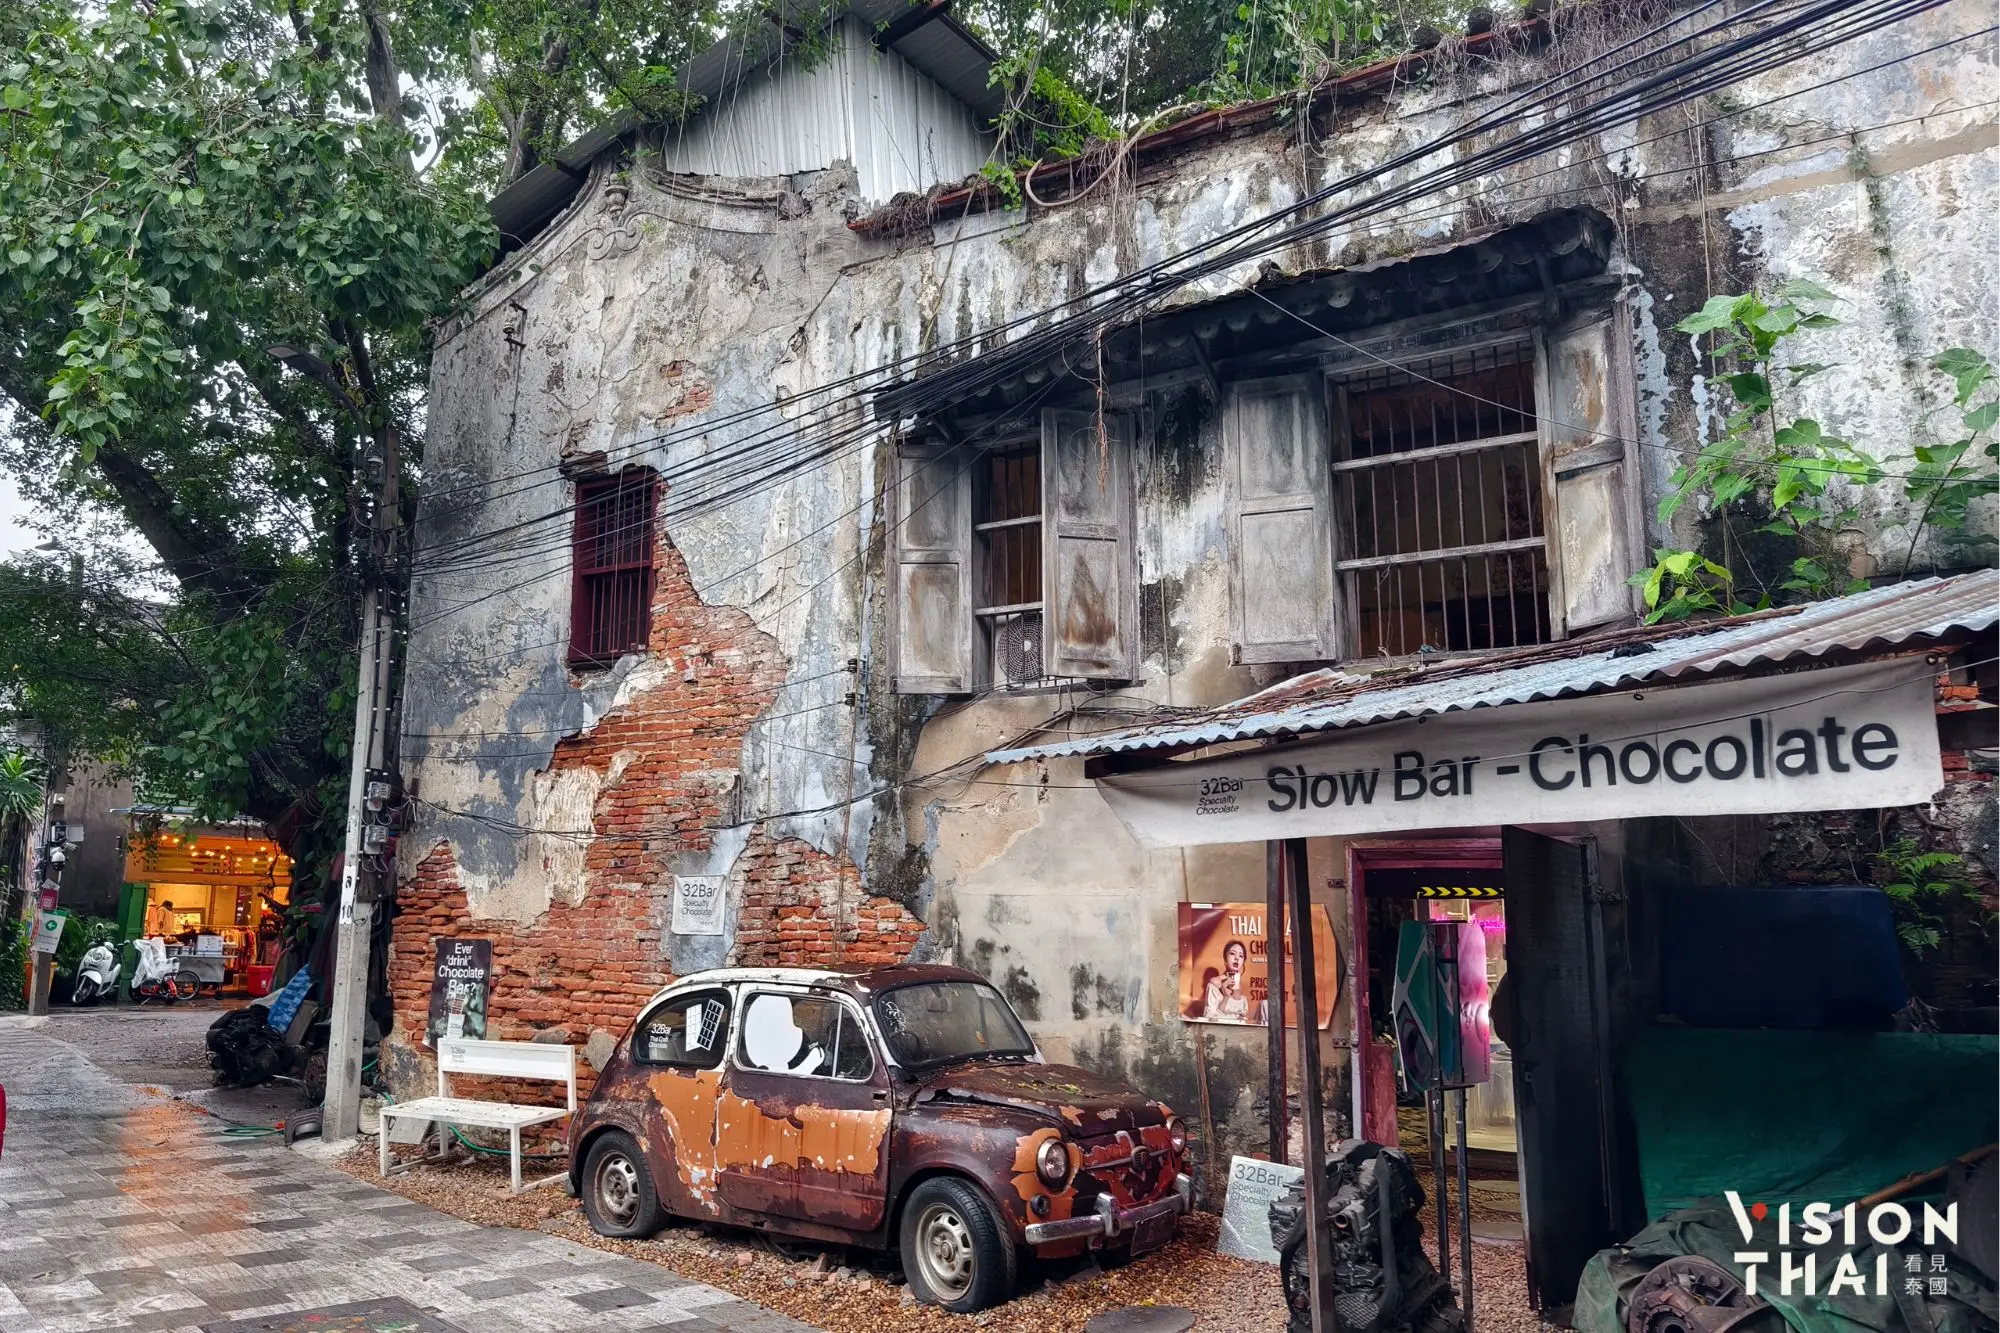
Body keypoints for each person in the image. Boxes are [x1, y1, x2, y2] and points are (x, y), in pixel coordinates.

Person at [1203, 939, 1266, 1024]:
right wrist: (1226, 996)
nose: (1237, 958)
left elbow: (1241, 1017)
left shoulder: (1239, 985)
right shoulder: (1215, 982)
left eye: (1241, 956)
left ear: (1243, 961)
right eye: (1232, 953)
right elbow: (1209, 1017)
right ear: (1225, 957)